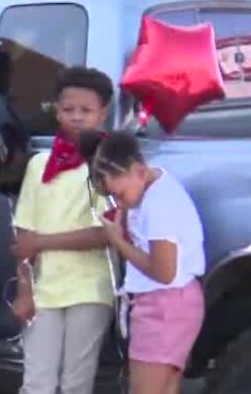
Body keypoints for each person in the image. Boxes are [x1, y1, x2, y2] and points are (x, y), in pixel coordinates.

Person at [9, 68, 116, 394]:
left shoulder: (108, 163)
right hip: (45, 290)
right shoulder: (39, 164)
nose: (77, 118)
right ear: (56, 111)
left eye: (86, 111)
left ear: (103, 114)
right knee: (36, 382)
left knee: (76, 383)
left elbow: (107, 232)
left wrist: (43, 241)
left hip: (90, 288)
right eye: (69, 110)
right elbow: (24, 235)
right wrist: (24, 290)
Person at [83, 131, 206, 394]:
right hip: (174, 304)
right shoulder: (150, 184)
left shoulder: (159, 204)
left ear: (138, 170)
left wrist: (118, 241)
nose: (120, 201)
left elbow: (163, 272)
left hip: (165, 306)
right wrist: (125, 213)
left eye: (121, 194)